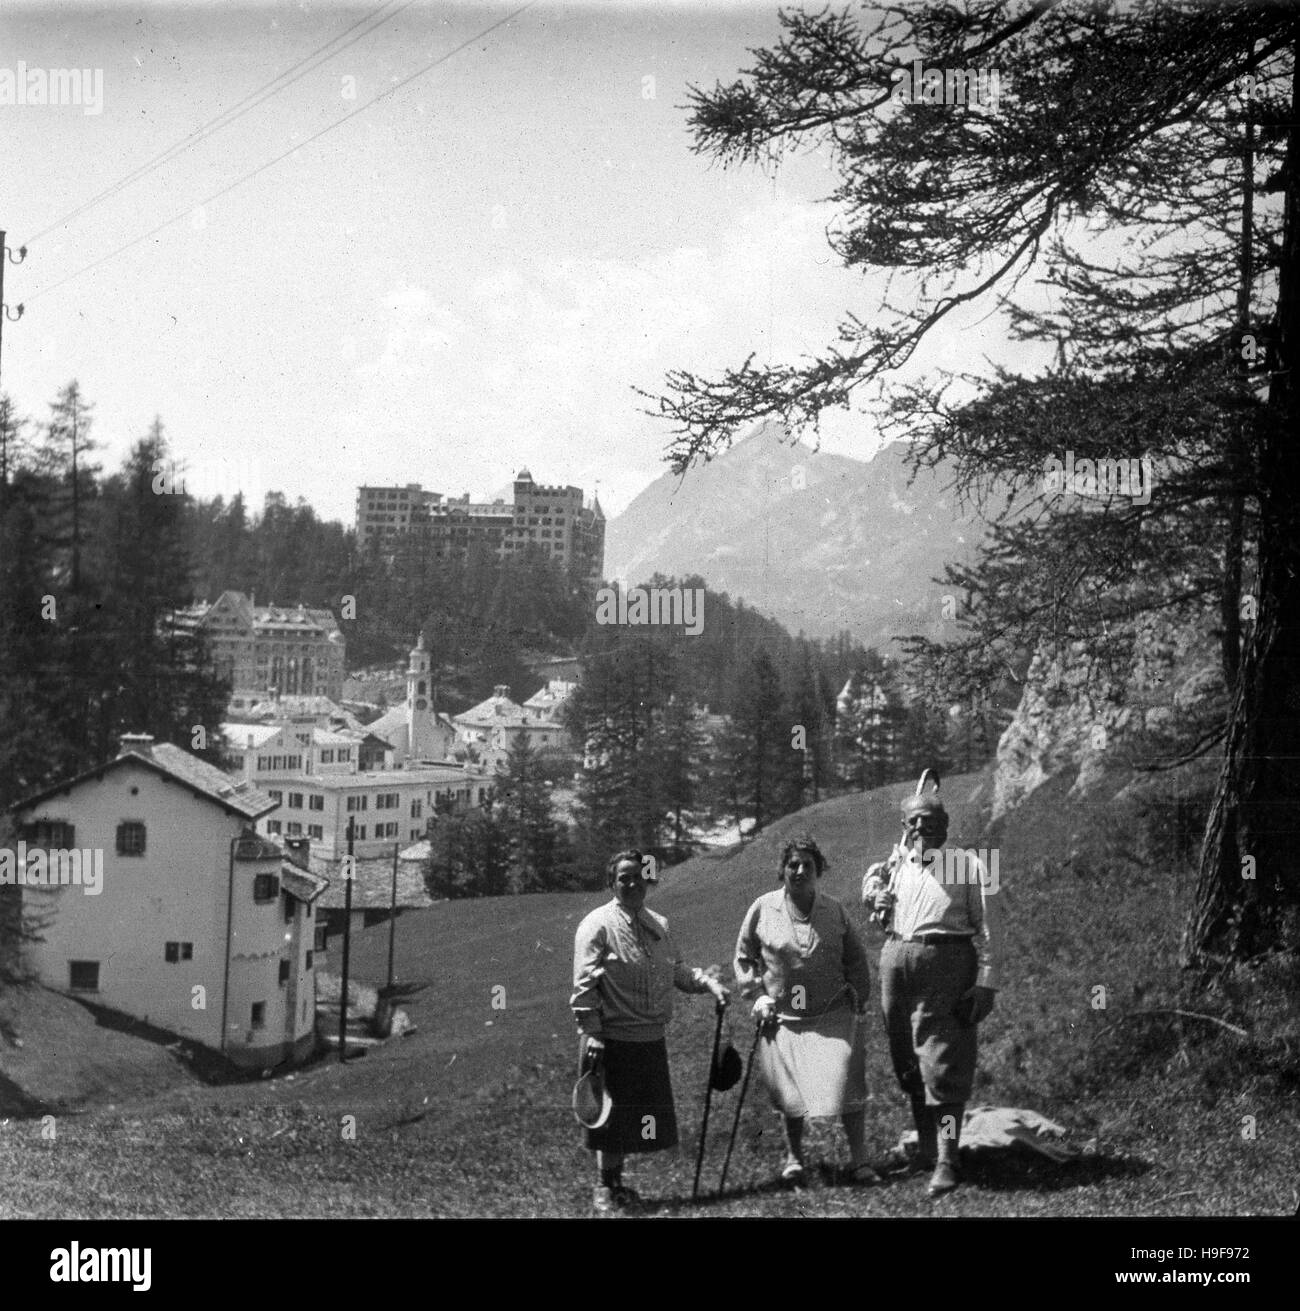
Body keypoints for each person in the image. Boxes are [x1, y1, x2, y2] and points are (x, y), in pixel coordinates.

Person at [861, 777, 1002, 1196]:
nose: (923, 827)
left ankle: (947, 1158)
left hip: (947, 962)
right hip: (897, 960)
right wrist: (875, 898)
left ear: (946, 825)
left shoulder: (974, 864)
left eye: (932, 820)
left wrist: (987, 985)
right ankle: (925, 1150)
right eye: (915, 821)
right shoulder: (897, 864)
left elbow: (994, 931)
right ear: (906, 826)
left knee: (943, 1062)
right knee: (907, 1058)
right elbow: (872, 889)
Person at [571, 848, 730, 1215]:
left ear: (647, 880)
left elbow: (677, 971)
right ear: (611, 883)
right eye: (623, 877)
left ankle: (618, 1185)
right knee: (608, 1117)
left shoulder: (659, 923)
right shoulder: (596, 925)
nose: (632, 883)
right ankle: (605, 1189)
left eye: (638, 876)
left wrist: (709, 985)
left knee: (633, 1116)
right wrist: (592, 1032)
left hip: (648, 1037)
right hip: (610, 1037)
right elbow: (582, 987)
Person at [733, 835, 879, 1187]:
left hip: (834, 1015)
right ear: (782, 870)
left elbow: (856, 957)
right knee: (790, 1093)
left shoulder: (834, 910)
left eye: (807, 865)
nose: (799, 871)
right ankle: (794, 1158)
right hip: (784, 1018)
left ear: (818, 871)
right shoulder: (763, 908)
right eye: (792, 865)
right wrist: (757, 995)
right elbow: (743, 955)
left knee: (848, 1086)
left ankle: (859, 1161)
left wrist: (860, 997)